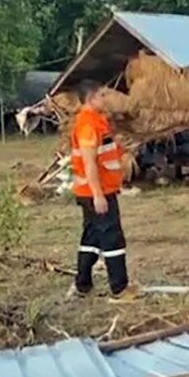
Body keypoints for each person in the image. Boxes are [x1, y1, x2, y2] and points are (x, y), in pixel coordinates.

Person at [69, 80, 136, 301]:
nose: (106, 99)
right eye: (103, 95)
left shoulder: (97, 121)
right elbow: (90, 163)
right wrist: (98, 194)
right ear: (91, 98)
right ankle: (119, 288)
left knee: (92, 237)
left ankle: (83, 284)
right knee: (112, 237)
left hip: (92, 190)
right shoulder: (88, 125)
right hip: (96, 191)